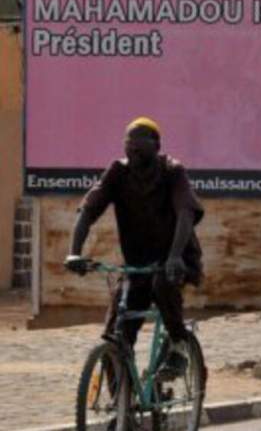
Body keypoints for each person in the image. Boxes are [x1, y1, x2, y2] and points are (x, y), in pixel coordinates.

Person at [64, 118, 204, 379]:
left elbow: (185, 212)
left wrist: (174, 256)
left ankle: (178, 345)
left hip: (175, 258)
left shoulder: (172, 170)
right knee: (115, 336)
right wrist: (74, 251)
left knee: (162, 284)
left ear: (156, 145)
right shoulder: (118, 172)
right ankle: (121, 414)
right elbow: (89, 210)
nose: (133, 150)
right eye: (129, 145)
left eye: (139, 144)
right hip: (137, 266)